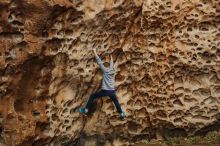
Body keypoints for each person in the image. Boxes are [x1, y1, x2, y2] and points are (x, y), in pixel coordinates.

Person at [78, 48, 126, 120]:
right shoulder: (113, 71)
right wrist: (111, 57)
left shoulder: (105, 70)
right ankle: (121, 114)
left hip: (105, 91)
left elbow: (99, 62)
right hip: (112, 91)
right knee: (116, 102)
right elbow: (112, 64)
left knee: (92, 96)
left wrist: (94, 52)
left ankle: (86, 110)